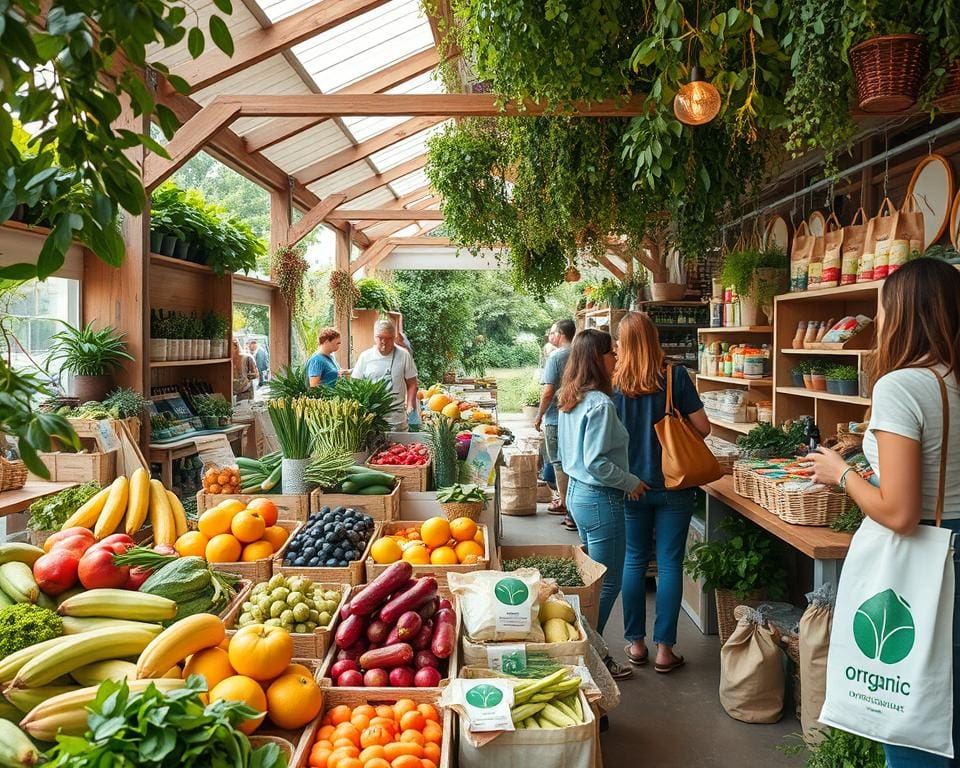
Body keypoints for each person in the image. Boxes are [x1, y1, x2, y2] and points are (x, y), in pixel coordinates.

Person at [808, 258, 960, 767]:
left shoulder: (903, 386)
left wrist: (841, 473)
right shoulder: (952, 383)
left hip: (928, 568)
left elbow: (900, 513)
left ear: (901, 315)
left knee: (912, 722)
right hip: (952, 544)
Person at [613, 312, 710, 674]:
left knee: (634, 561)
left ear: (623, 344)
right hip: (674, 484)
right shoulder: (675, 376)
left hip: (629, 485)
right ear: (655, 340)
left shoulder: (613, 384)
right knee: (670, 564)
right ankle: (665, 650)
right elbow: (704, 428)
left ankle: (635, 644)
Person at [557, 328, 648, 681]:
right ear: (597, 358)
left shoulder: (570, 398)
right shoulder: (600, 404)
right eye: (611, 353)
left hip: (579, 494)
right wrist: (632, 482)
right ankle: (590, 651)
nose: (616, 358)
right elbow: (597, 462)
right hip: (601, 498)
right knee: (606, 583)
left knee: (591, 580)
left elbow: (566, 457)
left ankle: (586, 646)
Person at [535, 319, 576, 527]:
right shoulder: (581, 354)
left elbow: (548, 392)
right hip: (576, 416)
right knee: (574, 462)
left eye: (552, 333)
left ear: (560, 334)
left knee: (559, 463)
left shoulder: (556, 357)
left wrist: (538, 415)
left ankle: (568, 509)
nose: (550, 336)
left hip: (555, 418)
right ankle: (572, 506)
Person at [353, 319, 418, 431]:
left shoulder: (404, 355)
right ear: (374, 337)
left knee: (399, 446)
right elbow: (356, 385)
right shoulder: (365, 357)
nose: (384, 341)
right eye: (380, 337)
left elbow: (412, 384)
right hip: (372, 419)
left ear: (394, 338)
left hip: (397, 419)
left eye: (388, 338)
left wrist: (410, 405)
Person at [231, 337, 259, 402]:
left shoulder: (247, 358)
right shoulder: (227, 360)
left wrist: (247, 379)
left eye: (229, 346)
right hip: (231, 395)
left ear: (236, 347)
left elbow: (256, 375)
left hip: (246, 395)